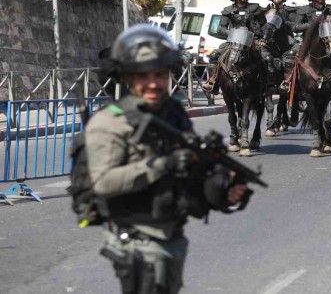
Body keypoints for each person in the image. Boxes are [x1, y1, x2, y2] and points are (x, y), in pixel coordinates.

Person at [86, 24, 252, 294]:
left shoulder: (172, 114)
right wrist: (162, 164)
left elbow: (190, 174)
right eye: (143, 76)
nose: (153, 83)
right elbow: (103, 182)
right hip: (136, 238)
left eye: (160, 74)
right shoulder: (111, 122)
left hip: (171, 234)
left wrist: (224, 191)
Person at [202, 0, 267, 94]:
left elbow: (264, 25)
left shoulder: (255, 8)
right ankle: (213, 81)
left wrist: (262, 38)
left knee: (266, 58)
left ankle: (267, 84)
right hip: (233, 42)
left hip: (252, 42)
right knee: (215, 55)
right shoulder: (228, 11)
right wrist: (231, 33)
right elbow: (221, 28)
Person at [260, 0, 297, 90]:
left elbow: (295, 24)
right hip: (269, 37)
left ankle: (289, 78)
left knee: (296, 51)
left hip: (286, 36)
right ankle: (268, 81)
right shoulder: (265, 10)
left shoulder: (289, 11)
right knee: (259, 54)